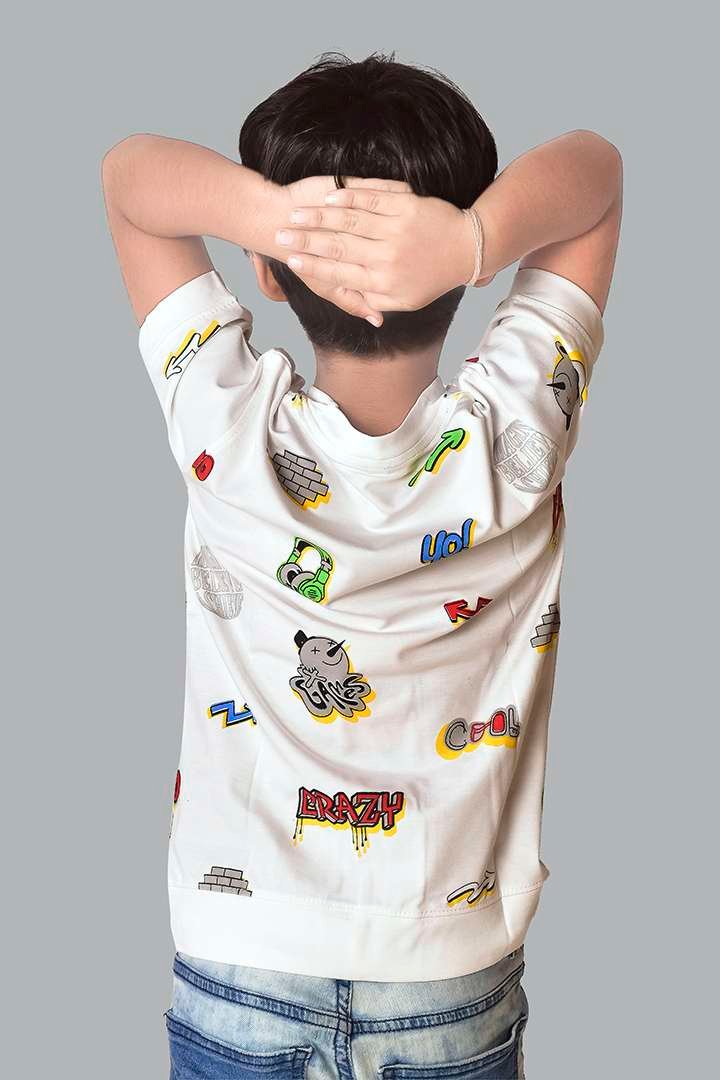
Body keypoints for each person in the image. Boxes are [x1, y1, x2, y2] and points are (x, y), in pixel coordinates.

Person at [101, 50, 622, 1080]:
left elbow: (129, 177)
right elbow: (596, 174)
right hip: (450, 977)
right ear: (455, 281)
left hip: (239, 961)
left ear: (265, 274)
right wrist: (472, 241)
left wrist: (281, 219)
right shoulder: (516, 436)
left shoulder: (228, 428)